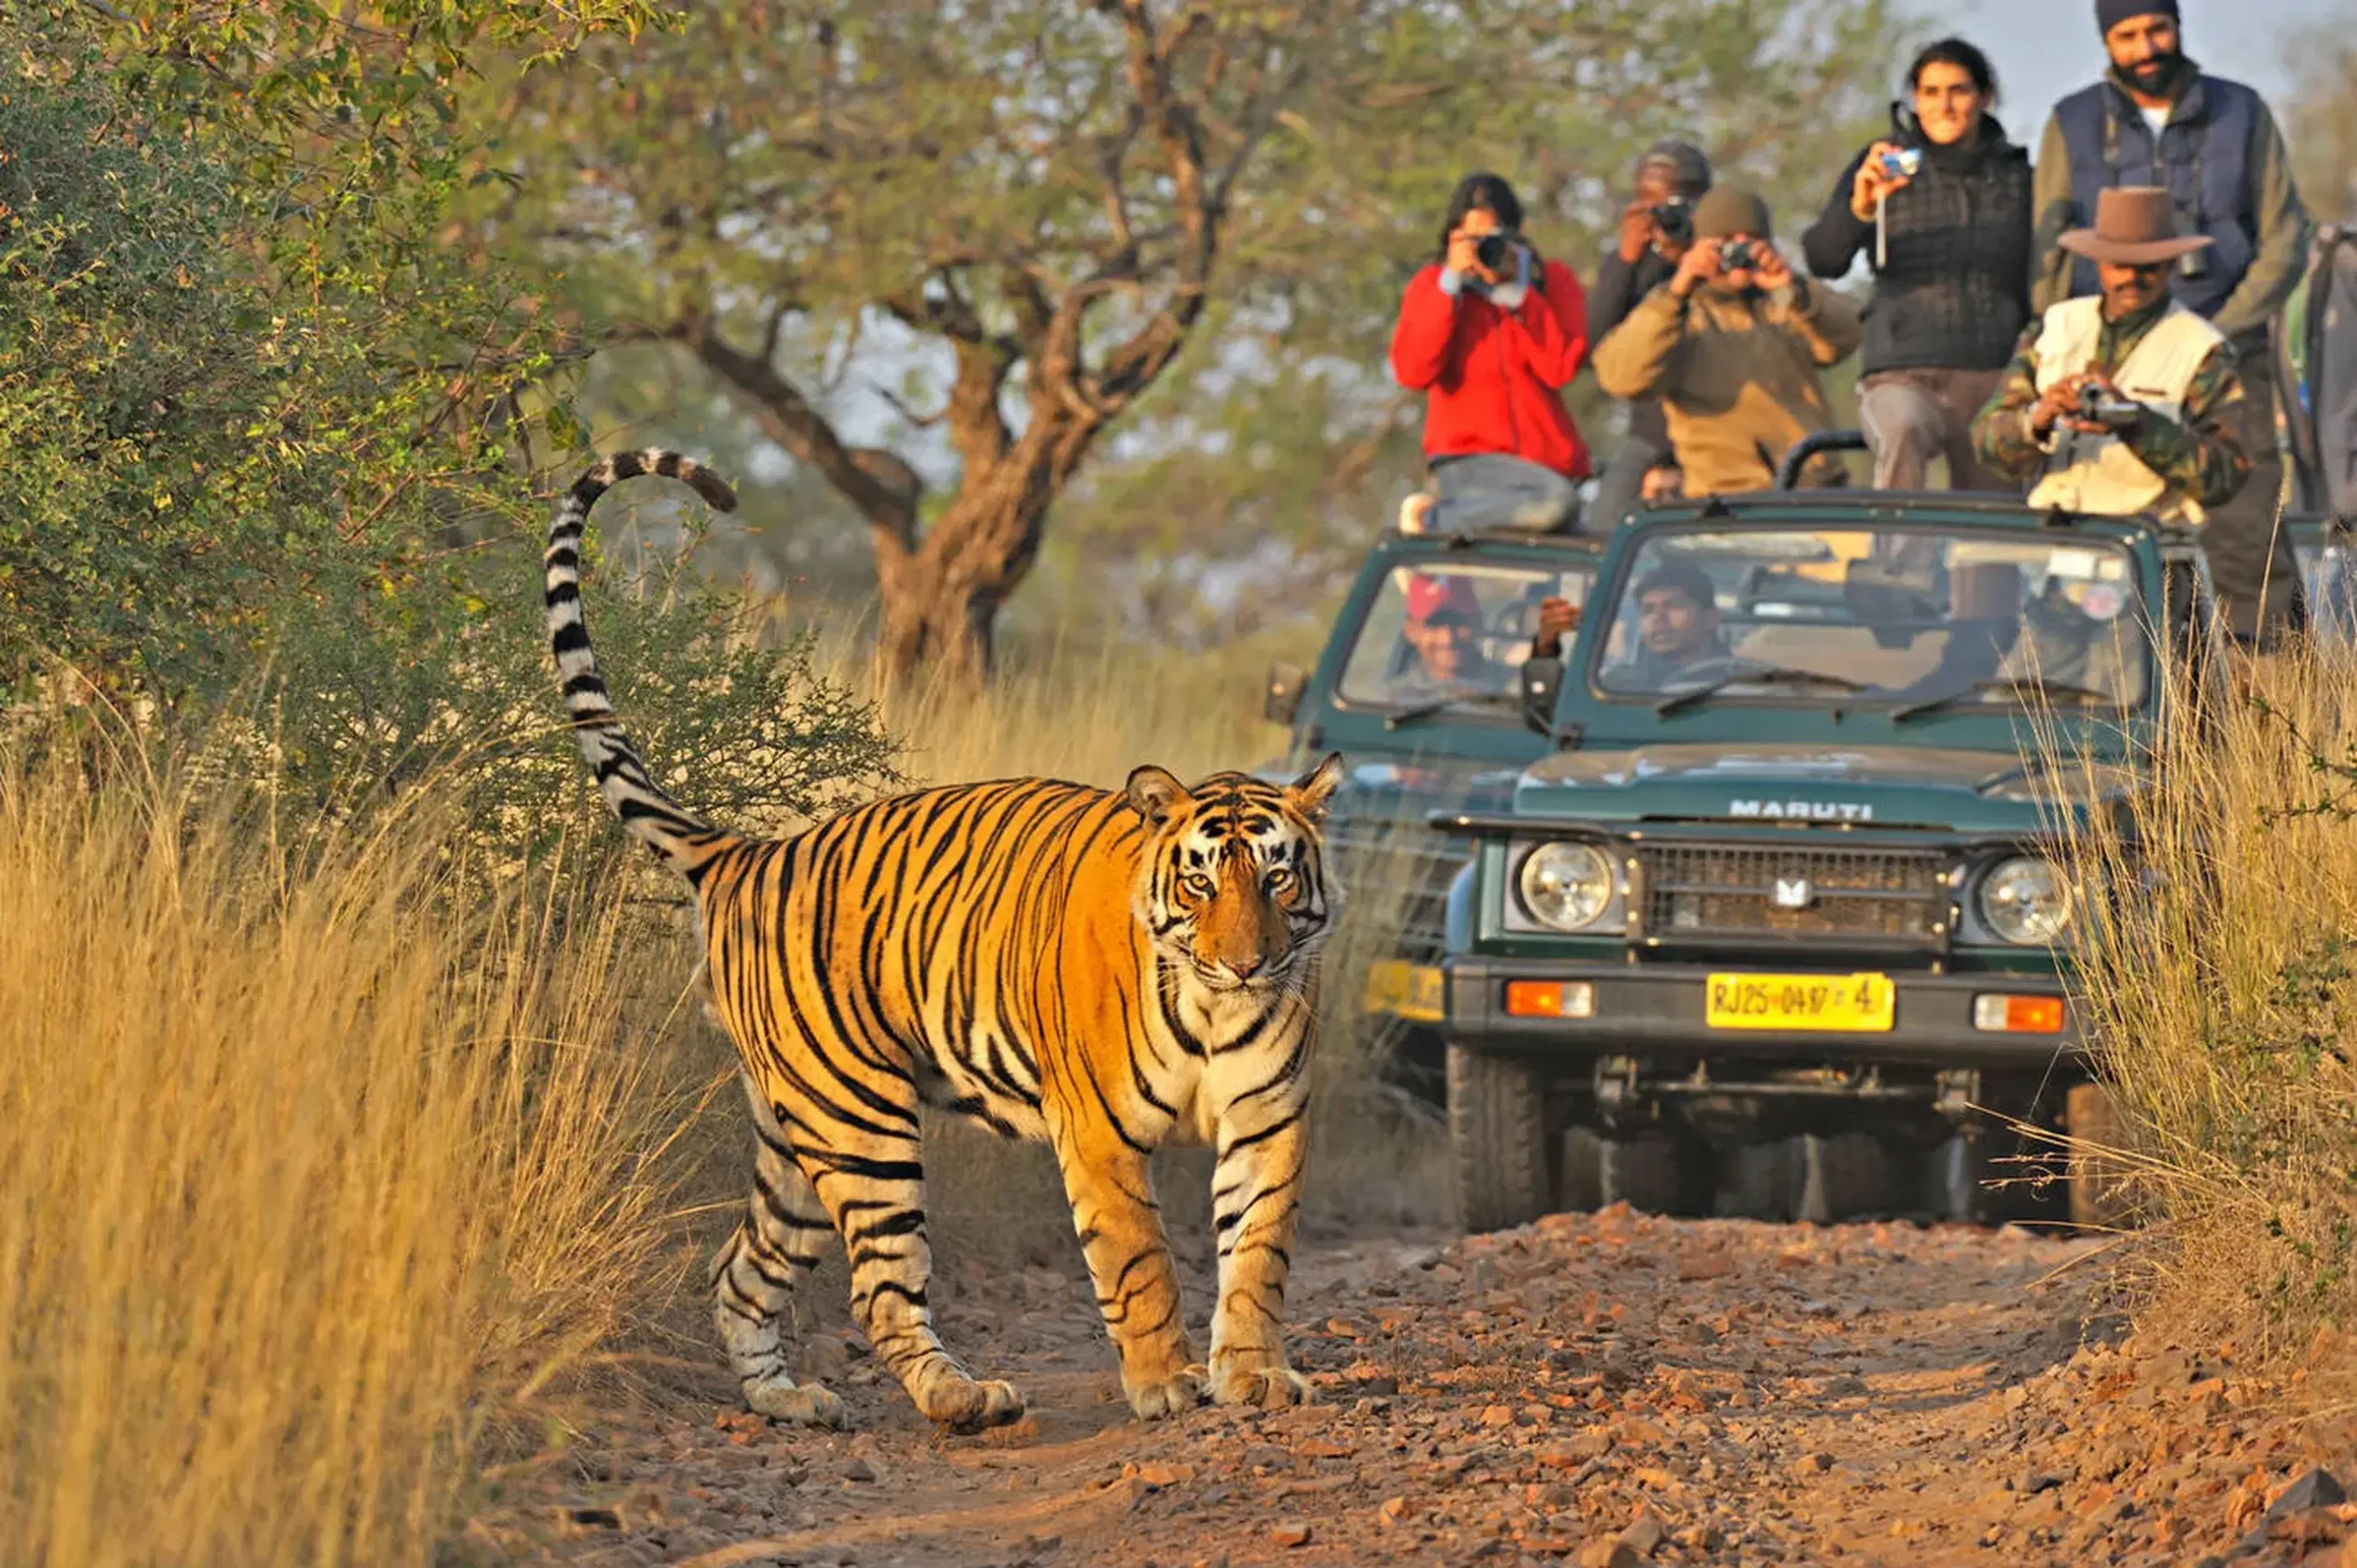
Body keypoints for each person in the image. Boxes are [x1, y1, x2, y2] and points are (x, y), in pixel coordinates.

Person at [2031, 0, 2313, 642]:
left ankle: (2263, 690)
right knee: (2103, 534)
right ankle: (2110, 687)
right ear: (2107, 42)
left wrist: (2214, 335)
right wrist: (2063, 344)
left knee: (2246, 532)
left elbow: (2284, 240)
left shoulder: (2241, 109)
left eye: (2157, 29)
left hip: (2228, 349)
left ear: (2178, 27)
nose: (2146, 46)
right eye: (2127, 35)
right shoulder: (2072, 120)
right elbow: (2048, 252)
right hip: (2112, 355)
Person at [1802, 38, 2032, 492]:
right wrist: (1861, 207)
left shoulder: (2018, 178)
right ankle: (1892, 544)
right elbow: (1824, 259)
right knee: (1903, 431)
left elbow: (2039, 278)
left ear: (1985, 97)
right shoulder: (1881, 165)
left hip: (1993, 376)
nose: (1943, 106)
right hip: (1901, 369)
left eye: (1958, 91)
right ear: (1914, 99)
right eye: (1930, 92)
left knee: (1992, 519)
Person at [1971, 186, 2251, 523]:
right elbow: (1985, 441)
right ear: (2099, 264)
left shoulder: (2203, 349)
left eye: (2148, 267)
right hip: (2053, 535)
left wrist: (2138, 424)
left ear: (2170, 265)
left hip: (2150, 539)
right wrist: (2038, 419)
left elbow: (2227, 476)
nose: (2132, 278)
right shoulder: (2056, 327)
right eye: (2120, 265)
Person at [1592, 187, 1864, 495]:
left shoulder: (1785, 305)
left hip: (1814, 491)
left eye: (1751, 240)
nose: (1738, 251)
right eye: (1725, 242)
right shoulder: (1680, 314)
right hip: (1727, 500)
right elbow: (1620, 376)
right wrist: (1679, 288)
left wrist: (1794, 289)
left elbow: (1851, 331)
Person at [1389, 172, 1591, 534]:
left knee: (1581, 517)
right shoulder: (1432, 286)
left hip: (1546, 466)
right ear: (1453, 238)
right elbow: (1413, 373)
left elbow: (1560, 368)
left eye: (1492, 238)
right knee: (1554, 504)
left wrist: (1522, 298)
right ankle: (1431, 520)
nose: (1482, 249)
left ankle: (1454, 519)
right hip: (1469, 462)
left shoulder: (1551, 283)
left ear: (1514, 236)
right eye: (1472, 239)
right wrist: (1449, 288)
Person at [1588, 141, 1713, 527]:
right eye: (1650, 203)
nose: (1666, 216)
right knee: (1603, 528)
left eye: (1676, 204)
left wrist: (1693, 260)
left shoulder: (1718, 259)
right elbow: (1594, 342)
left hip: (1716, 430)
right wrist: (1626, 260)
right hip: (1652, 435)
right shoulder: (1635, 265)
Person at [1609, 563, 1732, 688]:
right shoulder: (1618, 685)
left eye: (1674, 606)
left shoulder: (1738, 680)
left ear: (1711, 618)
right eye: (1648, 610)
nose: (1657, 617)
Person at [1388, 573, 1504, 701]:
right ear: (1411, 632)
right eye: (1434, 624)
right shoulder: (1394, 702)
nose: (1447, 639)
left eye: (1458, 621)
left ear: (1478, 624)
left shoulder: (1515, 690)